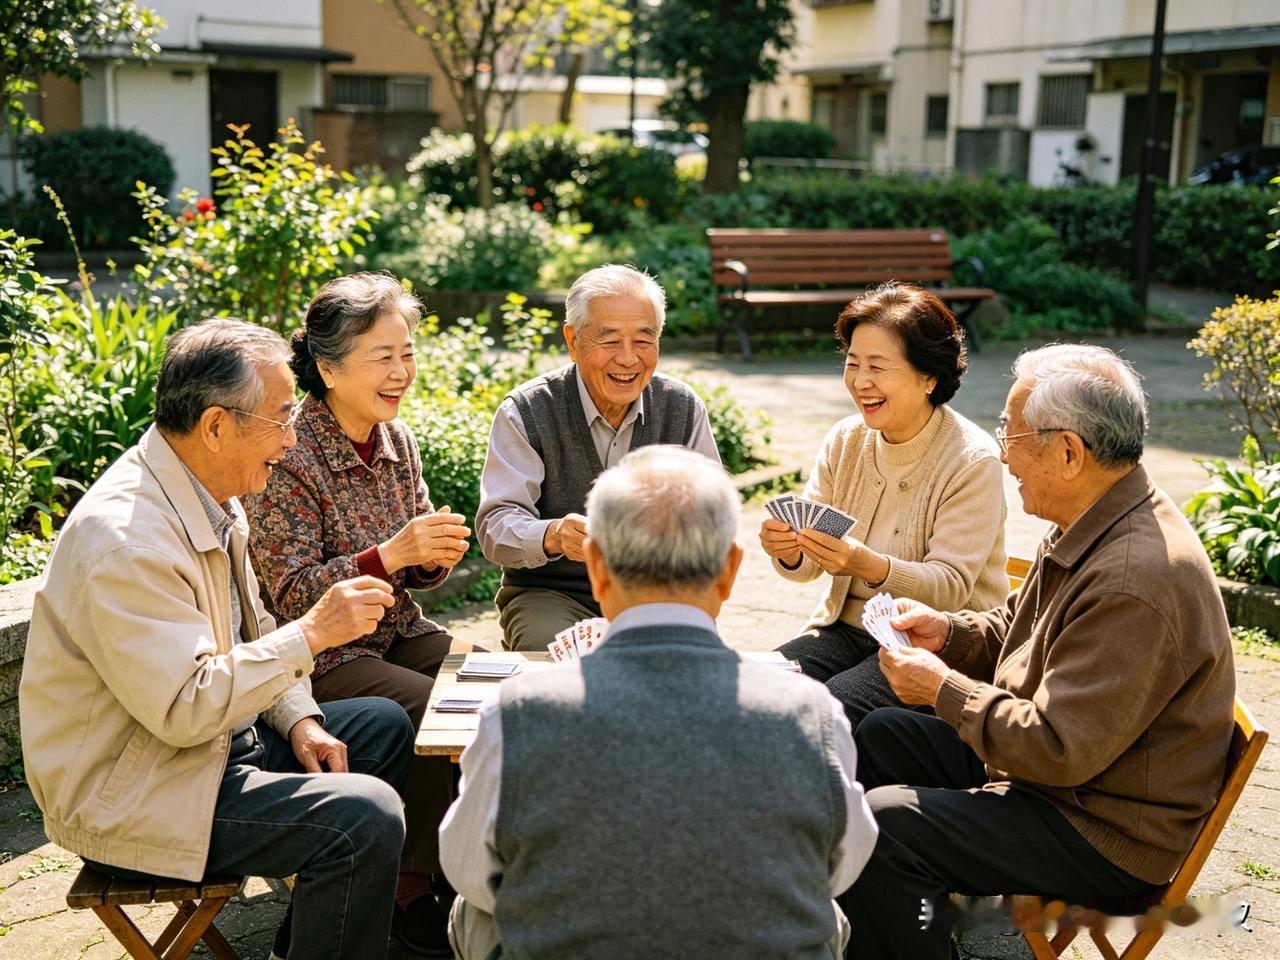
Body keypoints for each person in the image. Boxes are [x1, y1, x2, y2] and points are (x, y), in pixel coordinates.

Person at [20, 318, 413, 960]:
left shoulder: (208, 489)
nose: (291, 440)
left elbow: (251, 631)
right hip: (138, 790)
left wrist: (301, 719)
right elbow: (186, 708)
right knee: (362, 818)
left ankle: (315, 941)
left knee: (380, 726)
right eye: (282, 419)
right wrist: (314, 632)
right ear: (215, 425)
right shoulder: (127, 541)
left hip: (211, 751)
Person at [841, 344, 1237, 959]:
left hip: (1102, 831)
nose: (1002, 452)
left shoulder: (1136, 577)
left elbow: (1057, 748)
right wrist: (949, 633)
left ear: (1069, 451)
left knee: (888, 825)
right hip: (1067, 784)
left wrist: (942, 688)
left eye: (1011, 432)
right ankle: (879, 928)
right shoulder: (1096, 514)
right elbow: (1021, 627)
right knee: (884, 733)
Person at [441, 445, 879, 960]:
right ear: (730, 571)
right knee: (828, 917)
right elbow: (840, 865)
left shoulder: (517, 712)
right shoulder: (812, 713)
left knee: (473, 914)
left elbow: (470, 871)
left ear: (597, 568)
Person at [244, 273, 468, 957]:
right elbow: (287, 590)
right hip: (321, 656)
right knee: (437, 714)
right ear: (330, 367)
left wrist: (430, 557)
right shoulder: (291, 450)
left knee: (491, 688)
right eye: (383, 356)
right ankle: (405, 888)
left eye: (408, 353)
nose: (401, 372)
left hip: (397, 632)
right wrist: (388, 554)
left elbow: (410, 568)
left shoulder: (397, 440)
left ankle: (458, 865)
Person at [764, 283, 1007, 729]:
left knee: (826, 710)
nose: (860, 382)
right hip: (844, 628)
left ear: (929, 376)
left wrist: (868, 564)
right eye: (852, 363)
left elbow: (951, 587)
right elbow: (805, 567)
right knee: (758, 686)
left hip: (931, 643)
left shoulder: (972, 460)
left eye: (878, 366)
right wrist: (788, 548)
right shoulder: (846, 439)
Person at [476, 263, 722, 652]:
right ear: (573, 341)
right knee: (557, 669)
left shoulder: (681, 407)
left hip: (654, 595)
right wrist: (553, 536)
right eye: (609, 340)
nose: (628, 359)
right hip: (552, 594)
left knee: (677, 675)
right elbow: (495, 527)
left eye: (644, 339)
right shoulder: (526, 410)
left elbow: (713, 518)